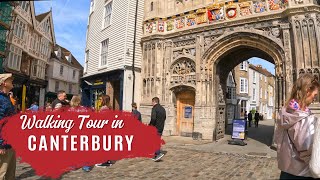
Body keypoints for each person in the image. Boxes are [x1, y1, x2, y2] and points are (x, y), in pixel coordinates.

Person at [275, 73, 319, 179]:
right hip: (302, 173)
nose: (314, 99)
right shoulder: (304, 119)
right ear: (307, 91)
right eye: (314, 95)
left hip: (285, 171)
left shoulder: (285, 113)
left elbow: (277, 140)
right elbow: (307, 151)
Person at [0, 73, 17, 179]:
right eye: (10, 80)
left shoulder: (7, 98)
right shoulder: (1, 99)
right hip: (4, 143)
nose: (12, 81)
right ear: (3, 83)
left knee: (10, 174)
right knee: (2, 173)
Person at [95, 95, 114, 168]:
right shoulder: (109, 108)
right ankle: (108, 160)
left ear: (104, 100)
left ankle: (104, 161)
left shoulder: (104, 108)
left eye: (101, 99)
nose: (100, 100)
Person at [149, 97, 166, 162]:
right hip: (161, 127)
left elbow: (153, 118)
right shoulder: (163, 109)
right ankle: (155, 155)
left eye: (152, 102)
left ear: (154, 102)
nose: (151, 104)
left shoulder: (154, 108)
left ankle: (158, 153)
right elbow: (164, 118)